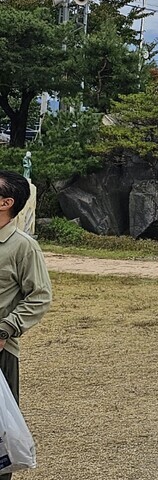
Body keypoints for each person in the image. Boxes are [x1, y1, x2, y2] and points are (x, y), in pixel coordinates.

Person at [0, 170, 53, 477]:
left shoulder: (22, 246)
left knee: (1, 431)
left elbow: (40, 296)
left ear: (7, 203)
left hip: (2, 351)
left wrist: (6, 328)